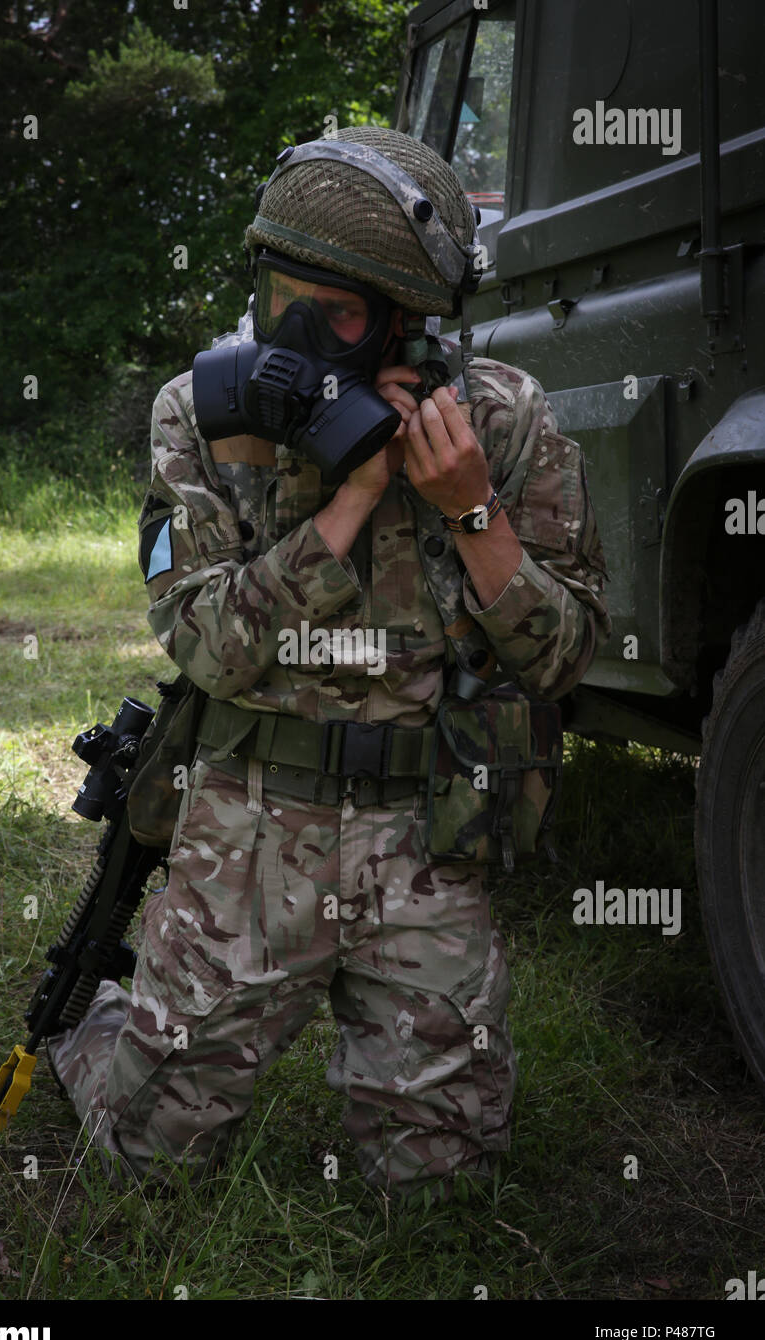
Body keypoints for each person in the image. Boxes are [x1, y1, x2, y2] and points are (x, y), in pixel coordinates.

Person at [47, 126, 610, 1201]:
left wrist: (469, 507)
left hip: (424, 833)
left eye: (338, 315)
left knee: (439, 1190)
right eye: (282, 300)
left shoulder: (498, 419)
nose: (299, 334)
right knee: (143, 1161)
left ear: (405, 322)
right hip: (247, 826)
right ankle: (105, 1031)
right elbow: (208, 648)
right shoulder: (201, 416)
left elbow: (565, 657)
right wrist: (349, 500)